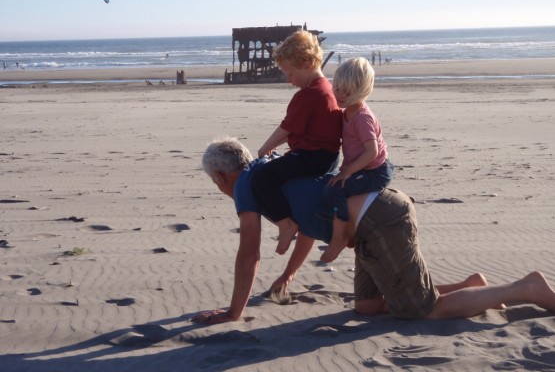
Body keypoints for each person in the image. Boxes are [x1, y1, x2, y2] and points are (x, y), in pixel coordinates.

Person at [191, 136, 555, 324]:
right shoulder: (267, 172)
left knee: (423, 311)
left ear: (221, 176)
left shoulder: (246, 187)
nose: (218, 186)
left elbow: (249, 254)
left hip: (379, 219)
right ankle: (470, 287)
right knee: (367, 306)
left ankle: (528, 288)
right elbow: (305, 227)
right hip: (370, 221)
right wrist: (288, 275)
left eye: (214, 181)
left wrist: (232, 313)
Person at [252, 30, 342, 255]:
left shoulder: (308, 95)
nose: (288, 79)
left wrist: (264, 148)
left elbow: (287, 128)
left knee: (261, 178)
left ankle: (285, 223)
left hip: (312, 157)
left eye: (289, 73)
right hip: (330, 157)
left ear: (306, 63)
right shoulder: (328, 89)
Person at [321, 57, 393, 263]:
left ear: (362, 91)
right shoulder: (346, 112)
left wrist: (348, 171)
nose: (341, 95)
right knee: (326, 181)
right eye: (338, 89)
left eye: (348, 92)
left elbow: (372, 151)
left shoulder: (362, 117)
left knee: (334, 190)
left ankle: (340, 237)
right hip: (363, 166)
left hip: (375, 170)